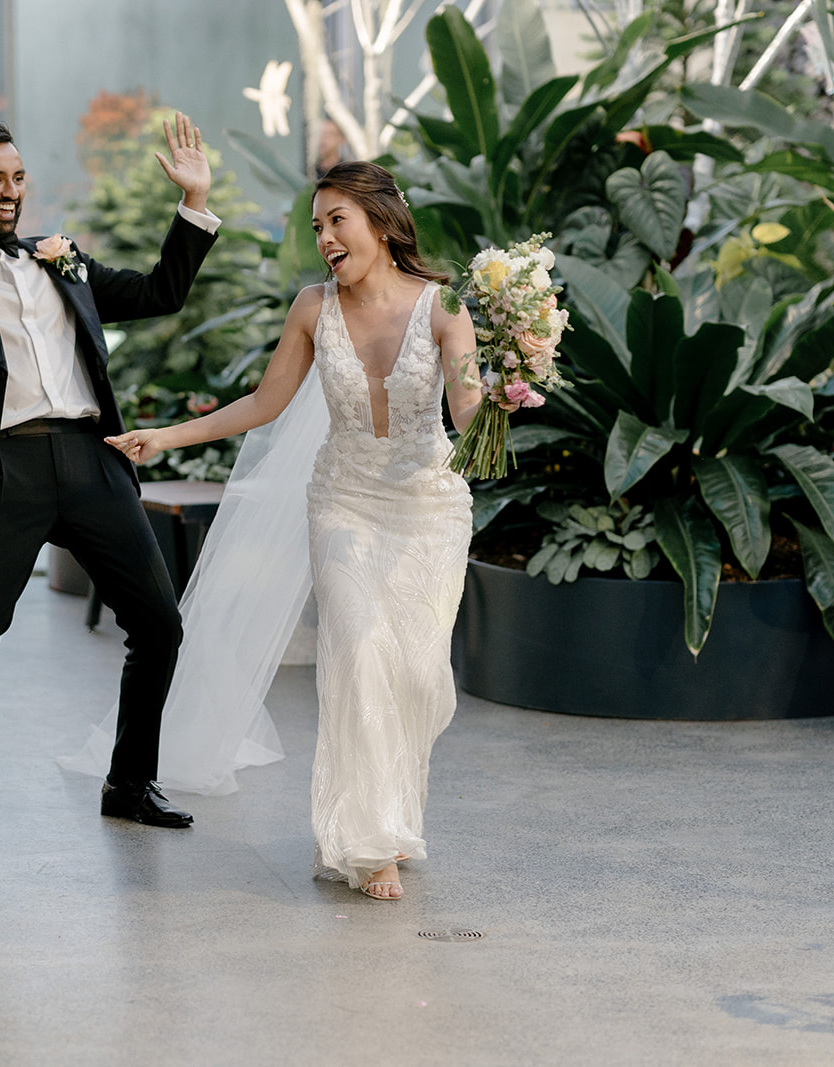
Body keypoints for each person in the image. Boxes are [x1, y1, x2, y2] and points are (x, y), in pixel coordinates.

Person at [103, 162, 483, 900]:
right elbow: (264, 402)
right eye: (317, 226)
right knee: (363, 651)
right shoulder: (313, 308)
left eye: (336, 220)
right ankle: (369, 842)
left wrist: (505, 387)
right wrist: (168, 436)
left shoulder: (446, 307)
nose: (324, 238)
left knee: (420, 678)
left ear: (380, 221)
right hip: (344, 499)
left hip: (428, 507)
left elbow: (467, 416)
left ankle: (394, 814)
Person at [0, 110, 221, 843]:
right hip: (1, 469)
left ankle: (128, 782)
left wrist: (192, 203)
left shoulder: (63, 259)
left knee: (158, 623)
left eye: (18, 177)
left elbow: (160, 293)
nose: (10, 191)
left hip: (92, 459)